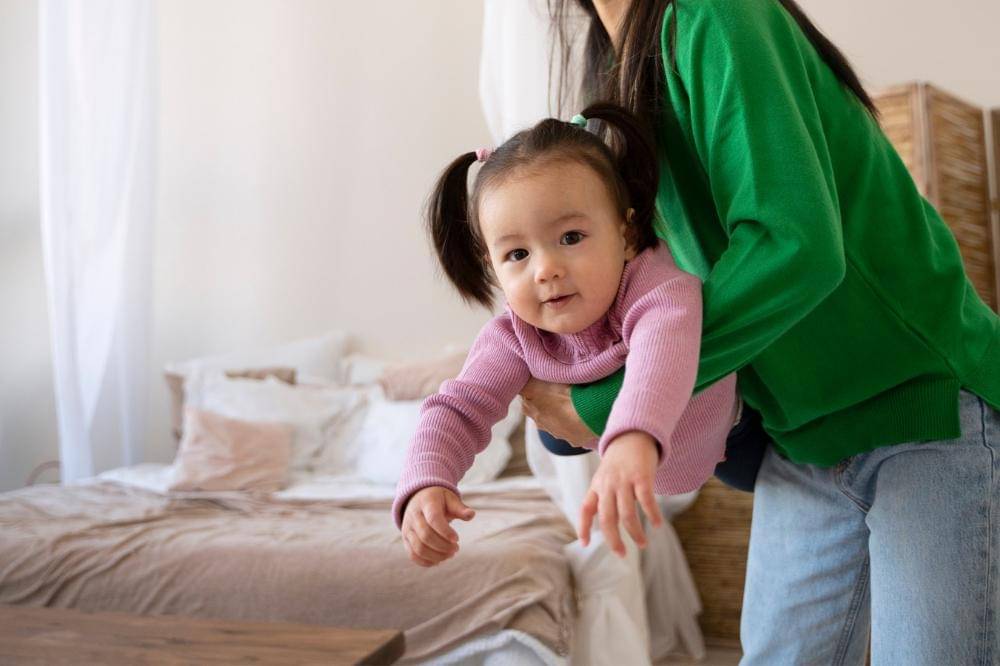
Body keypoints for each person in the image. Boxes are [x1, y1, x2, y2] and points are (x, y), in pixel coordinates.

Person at [515, 0, 1000, 663]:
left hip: (924, 412)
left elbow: (794, 245)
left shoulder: (716, 13)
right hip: (800, 441)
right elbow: (649, 286)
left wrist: (612, 400)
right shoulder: (608, 72)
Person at [391, 102, 742, 566]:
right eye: (517, 254)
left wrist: (630, 437)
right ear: (492, 271)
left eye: (571, 238)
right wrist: (427, 481)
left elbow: (661, 357)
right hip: (658, 453)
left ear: (628, 236)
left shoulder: (659, 289)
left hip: (742, 433)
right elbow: (459, 406)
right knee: (550, 433)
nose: (546, 269)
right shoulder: (513, 336)